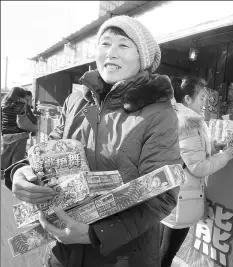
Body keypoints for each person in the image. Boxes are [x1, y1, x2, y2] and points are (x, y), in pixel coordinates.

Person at [3, 15, 181, 267]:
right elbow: (50, 151)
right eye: (105, 43)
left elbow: (163, 195)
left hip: (124, 256)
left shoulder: (160, 114)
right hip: (63, 251)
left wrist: (93, 235)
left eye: (124, 45)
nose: (112, 53)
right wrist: (23, 172)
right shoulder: (76, 102)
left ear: (143, 59)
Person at [160, 76, 233, 267]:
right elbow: (198, 167)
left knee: (162, 249)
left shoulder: (175, 116)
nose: (204, 103)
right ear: (187, 99)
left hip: (171, 192)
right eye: (202, 98)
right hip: (182, 196)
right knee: (166, 253)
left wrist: (212, 146)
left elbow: (189, 153)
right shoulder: (189, 124)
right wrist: (225, 156)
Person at [1, 87, 37, 171]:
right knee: (17, 160)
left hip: (6, 135)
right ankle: (14, 177)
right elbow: (33, 119)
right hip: (19, 135)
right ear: (21, 95)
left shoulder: (3, 105)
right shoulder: (23, 105)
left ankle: (4, 173)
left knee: (6, 157)